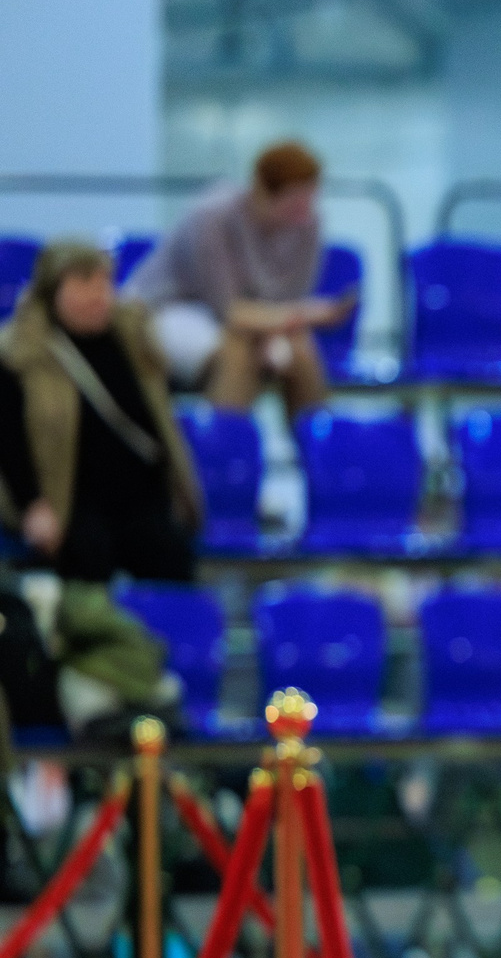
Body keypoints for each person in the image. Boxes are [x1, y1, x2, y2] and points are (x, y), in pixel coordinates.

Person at [0, 241, 196, 736]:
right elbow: (9, 441)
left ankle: (164, 677)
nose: (96, 294)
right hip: (70, 501)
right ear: (53, 291)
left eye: (104, 282)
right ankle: (97, 687)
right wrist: (32, 505)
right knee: (87, 551)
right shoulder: (21, 351)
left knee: (171, 550)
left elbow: (159, 415)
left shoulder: (132, 336)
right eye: (82, 282)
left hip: (140, 498)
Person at [124, 141, 355, 416]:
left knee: (300, 348)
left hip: (252, 317)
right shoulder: (212, 216)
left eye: (310, 197)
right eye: (295, 200)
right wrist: (294, 317)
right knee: (238, 351)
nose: (304, 209)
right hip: (169, 309)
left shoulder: (308, 223)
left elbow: (289, 302)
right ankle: (224, 440)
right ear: (263, 192)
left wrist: (280, 325)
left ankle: (319, 438)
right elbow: (228, 310)